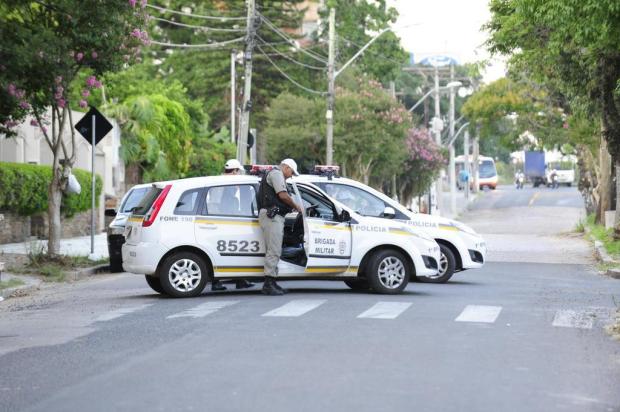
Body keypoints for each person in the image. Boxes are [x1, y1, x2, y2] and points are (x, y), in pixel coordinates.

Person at [257, 158, 304, 296]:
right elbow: (283, 195)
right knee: (274, 249)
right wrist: (296, 207)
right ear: (286, 167)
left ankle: (272, 281)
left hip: (274, 216)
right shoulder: (277, 174)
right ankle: (268, 284)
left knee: (275, 249)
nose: (291, 176)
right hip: (272, 217)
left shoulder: (275, 175)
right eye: (292, 173)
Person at [211, 159, 255, 292]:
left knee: (233, 252)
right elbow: (221, 204)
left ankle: (240, 280)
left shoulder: (221, 180)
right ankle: (216, 283)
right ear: (234, 171)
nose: (239, 173)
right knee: (220, 252)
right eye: (238, 171)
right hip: (223, 222)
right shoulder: (226, 183)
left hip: (222, 222)